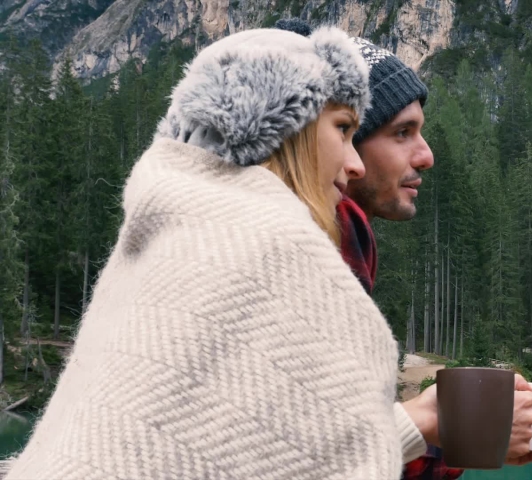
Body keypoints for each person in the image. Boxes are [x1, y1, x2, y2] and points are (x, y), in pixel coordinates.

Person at [0, 27, 433, 479]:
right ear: (289, 129)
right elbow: (320, 455)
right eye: (344, 128)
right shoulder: (277, 252)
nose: (355, 164)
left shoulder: (167, 240)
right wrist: (424, 429)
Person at [275, 19, 532, 479]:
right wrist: (434, 419)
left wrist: (456, 439)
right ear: (336, 142)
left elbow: (336, 439)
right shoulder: (325, 229)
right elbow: (306, 455)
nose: (426, 155)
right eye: (402, 132)